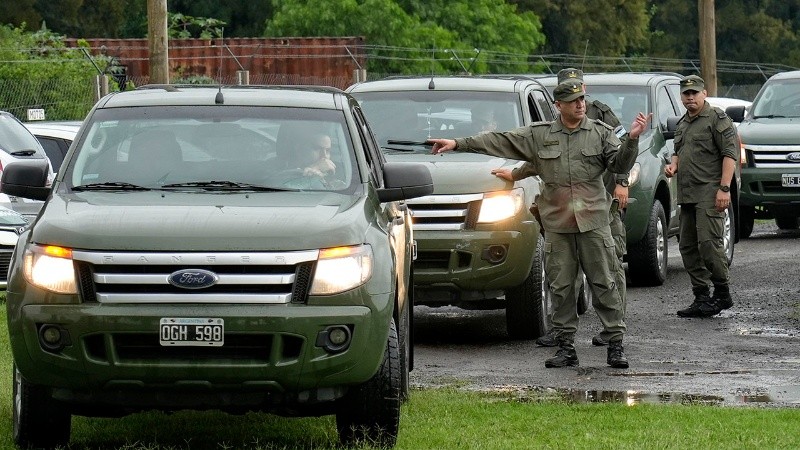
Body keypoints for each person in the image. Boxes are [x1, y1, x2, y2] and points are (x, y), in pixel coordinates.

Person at [428, 80, 651, 369]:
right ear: (558, 105)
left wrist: (632, 139)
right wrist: (458, 143)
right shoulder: (540, 135)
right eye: (573, 101)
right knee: (561, 285)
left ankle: (615, 344)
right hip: (558, 224)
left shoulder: (600, 133)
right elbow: (500, 140)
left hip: (594, 222)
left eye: (582, 99)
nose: (580, 104)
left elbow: (620, 165)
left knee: (604, 281)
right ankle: (566, 347)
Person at [493, 68, 630, 348]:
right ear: (559, 97)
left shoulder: (601, 115)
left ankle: (614, 331)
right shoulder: (552, 126)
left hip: (598, 206)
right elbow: (547, 157)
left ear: (584, 85)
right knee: (563, 276)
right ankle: (564, 332)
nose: (577, 98)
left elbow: (622, 151)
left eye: (578, 88)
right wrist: (517, 173)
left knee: (608, 270)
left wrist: (622, 182)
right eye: (568, 90)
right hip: (564, 210)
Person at [665, 75, 737, 318]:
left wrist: (724, 188)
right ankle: (701, 297)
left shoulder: (716, 118)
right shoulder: (683, 123)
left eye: (695, 93)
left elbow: (730, 154)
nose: (690, 97)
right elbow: (678, 151)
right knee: (686, 246)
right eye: (686, 94)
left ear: (704, 93)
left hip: (710, 191)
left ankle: (722, 293)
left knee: (708, 243)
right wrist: (673, 165)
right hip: (687, 193)